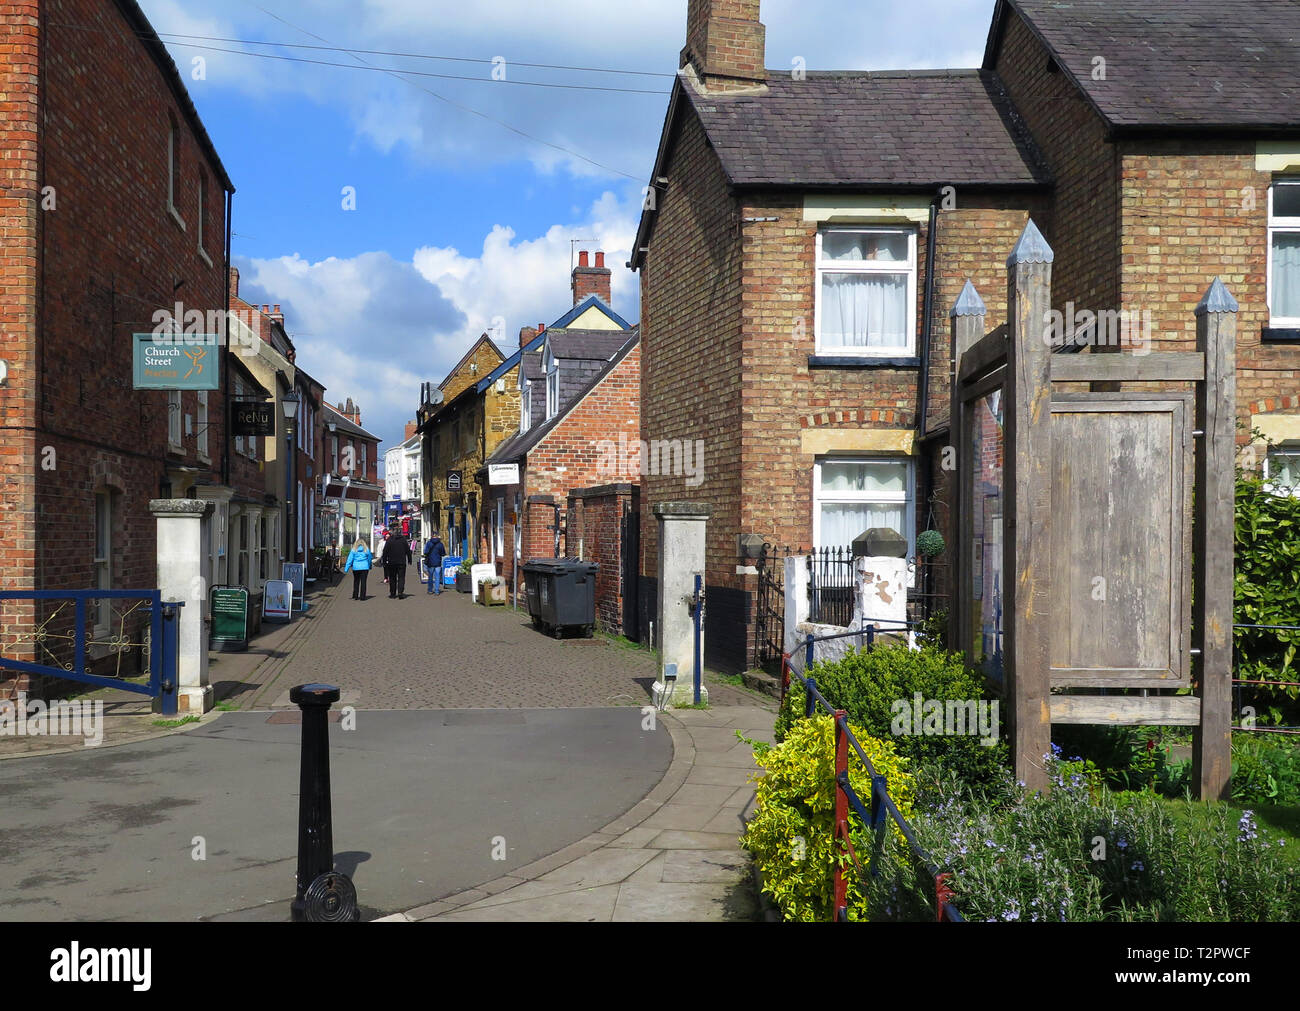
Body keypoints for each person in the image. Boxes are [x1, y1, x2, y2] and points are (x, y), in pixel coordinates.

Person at [380, 528, 413, 598]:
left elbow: (385, 551)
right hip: (401, 562)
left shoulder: (389, 540)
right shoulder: (403, 540)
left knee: (392, 578)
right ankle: (400, 592)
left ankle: (393, 593)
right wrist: (410, 560)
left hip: (392, 562)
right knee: (401, 577)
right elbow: (408, 551)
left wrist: (384, 561)